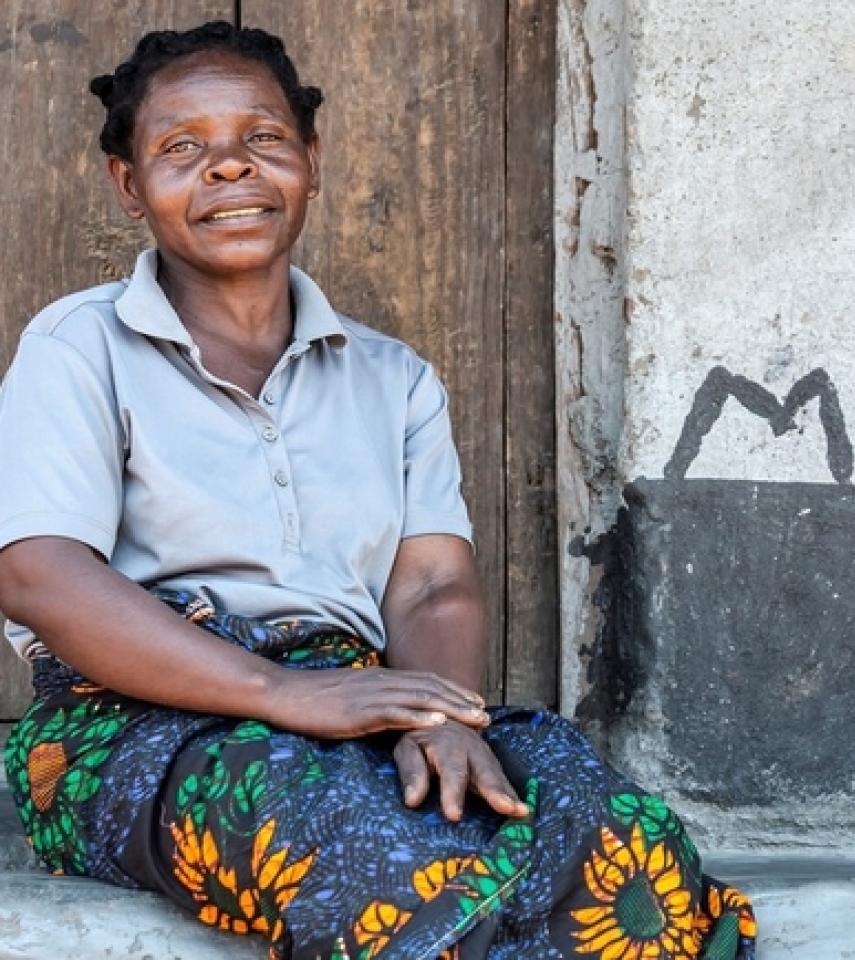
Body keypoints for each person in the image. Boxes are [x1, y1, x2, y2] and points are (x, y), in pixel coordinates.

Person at [0, 21, 755, 960]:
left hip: (356, 698)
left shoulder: (390, 376)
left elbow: (433, 586)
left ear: (310, 163)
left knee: (603, 816)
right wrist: (280, 693)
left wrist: (434, 715)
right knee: (367, 842)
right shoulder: (80, 346)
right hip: (128, 724)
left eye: (264, 139)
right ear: (128, 185)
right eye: (182, 147)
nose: (231, 168)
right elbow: (39, 574)